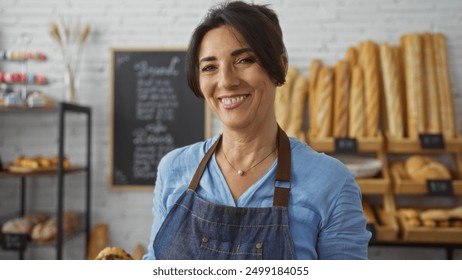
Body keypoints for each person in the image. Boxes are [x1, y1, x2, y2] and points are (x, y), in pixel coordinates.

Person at [144, 0, 371, 260]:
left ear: (280, 66)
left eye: (244, 60)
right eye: (209, 67)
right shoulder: (174, 168)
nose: (226, 80)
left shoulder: (331, 182)